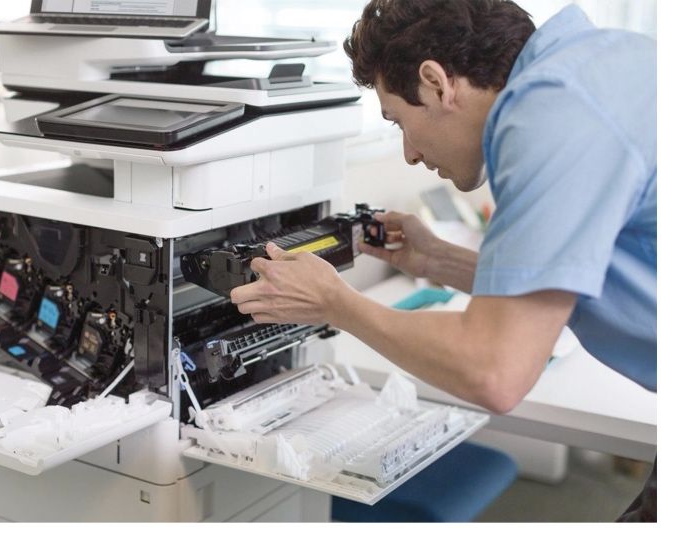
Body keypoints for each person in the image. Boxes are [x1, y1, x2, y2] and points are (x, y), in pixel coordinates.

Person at [229, 0, 656, 521]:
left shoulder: (552, 115)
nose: (409, 153)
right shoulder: (595, 67)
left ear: (436, 83)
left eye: (399, 122)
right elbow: (570, 277)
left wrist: (335, 303)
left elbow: (494, 370)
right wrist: (438, 261)